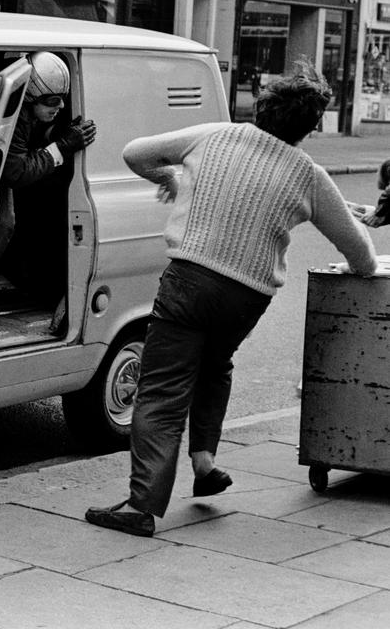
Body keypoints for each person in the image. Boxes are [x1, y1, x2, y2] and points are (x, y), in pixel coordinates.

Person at [85, 61, 377, 538]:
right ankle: (204, 463)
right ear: (309, 126)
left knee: (161, 391)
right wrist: (356, 269)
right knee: (215, 363)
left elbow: (134, 153)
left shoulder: (217, 135)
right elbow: (358, 250)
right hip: (248, 296)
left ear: (261, 107)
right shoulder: (309, 174)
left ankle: (142, 505)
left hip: (189, 280)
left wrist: (174, 180)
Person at [0, 52, 96, 300]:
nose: (60, 107)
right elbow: (16, 172)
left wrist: (57, 138)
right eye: (53, 101)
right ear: (31, 97)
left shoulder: (27, 112)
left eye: (62, 100)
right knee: (5, 222)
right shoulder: (17, 117)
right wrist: (63, 147)